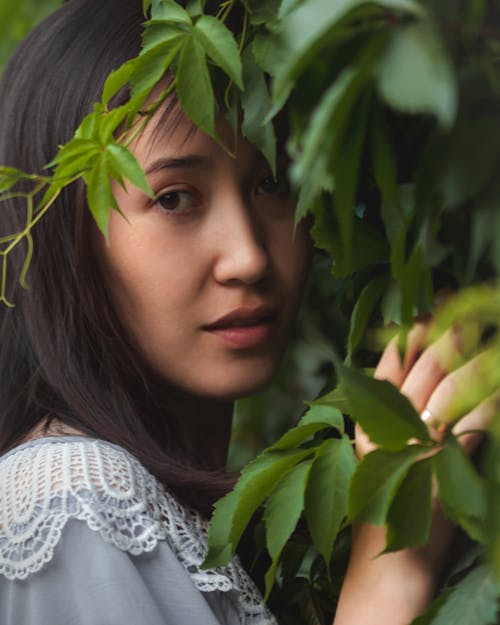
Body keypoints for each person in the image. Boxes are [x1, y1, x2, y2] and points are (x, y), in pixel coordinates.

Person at [0, 1, 492, 624]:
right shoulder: (72, 497)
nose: (248, 257)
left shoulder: (164, 506)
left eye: (273, 183)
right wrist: (392, 569)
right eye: (175, 197)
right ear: (67, 241)